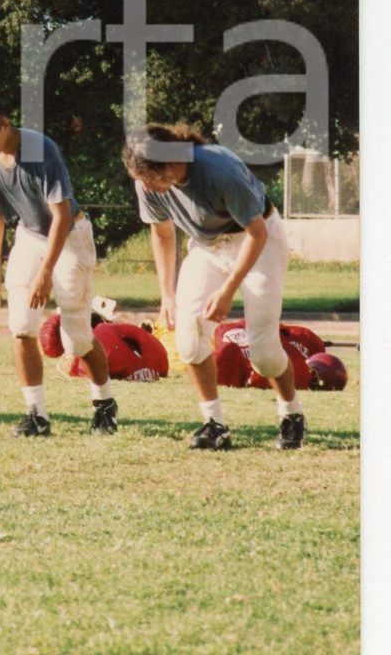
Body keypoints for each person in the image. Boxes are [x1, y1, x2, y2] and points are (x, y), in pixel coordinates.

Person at [122, 123, 304, 451]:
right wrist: (167, 293)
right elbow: (162, 233)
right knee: (189, 340)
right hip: (207, 246)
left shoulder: (219, 169)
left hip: (257, 241)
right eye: (140, 179)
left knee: (262, 352)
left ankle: (291, 413)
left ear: (174, 165)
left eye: (150, 178)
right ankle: (214, 423)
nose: (145, 187)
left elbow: (257, 233)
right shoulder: (147, 183)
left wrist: (227, 290)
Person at [0, 96, 118, 438]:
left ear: (4, 125)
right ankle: (37, 414)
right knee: (21, 326)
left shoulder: (40, 148)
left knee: (75, 340)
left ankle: (105, 404)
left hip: (69, 234)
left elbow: (60, 215)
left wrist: (45, 274)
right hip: (30, 236)